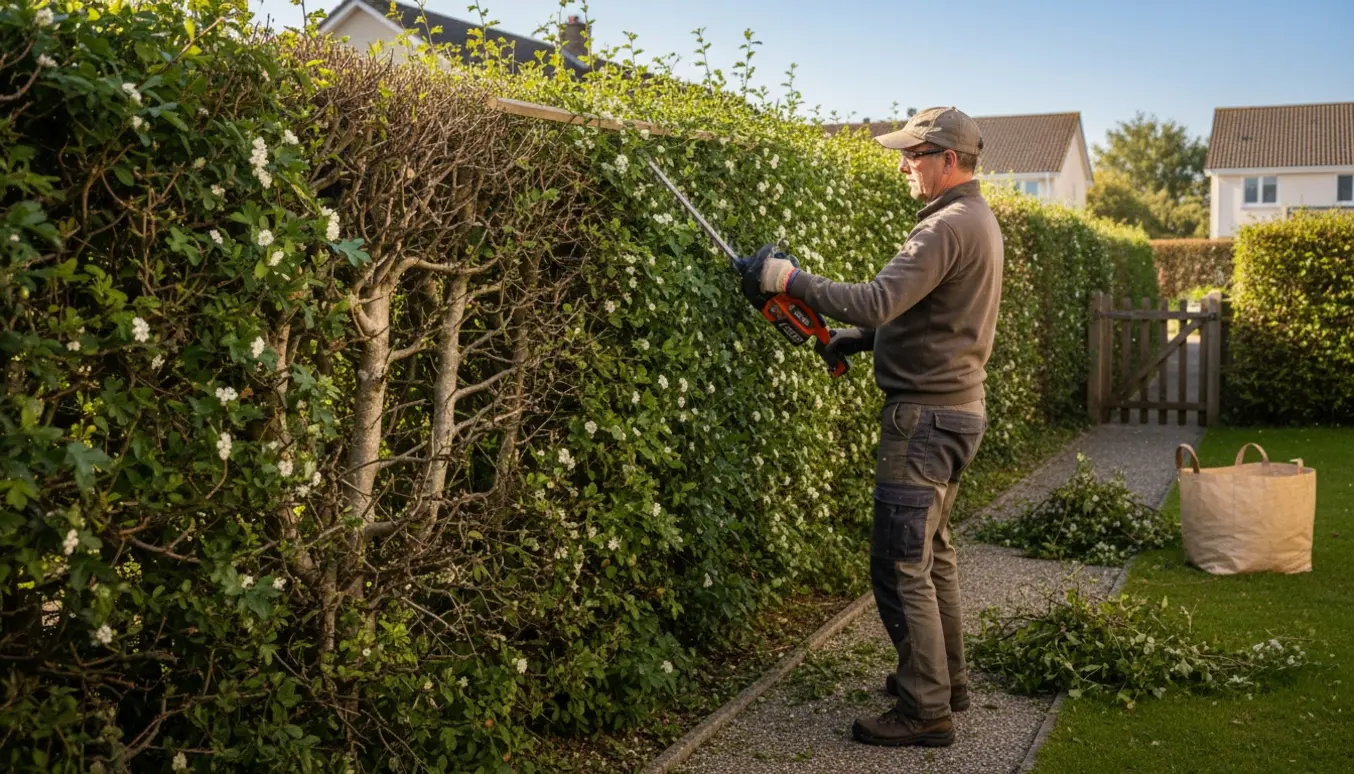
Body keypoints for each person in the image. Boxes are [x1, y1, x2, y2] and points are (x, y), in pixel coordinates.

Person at [754, 106, 1003, 747]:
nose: (903, 165)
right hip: (957, 411)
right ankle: (946, 683)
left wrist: (789, 279)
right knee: (933, 555)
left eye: (914, 154)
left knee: (899, 566)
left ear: (949, 160)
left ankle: (925, 712)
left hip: (922, 420)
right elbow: (931, 319)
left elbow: (879, 298)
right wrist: (859, 341)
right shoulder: (976, 219)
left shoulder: (946, 226)